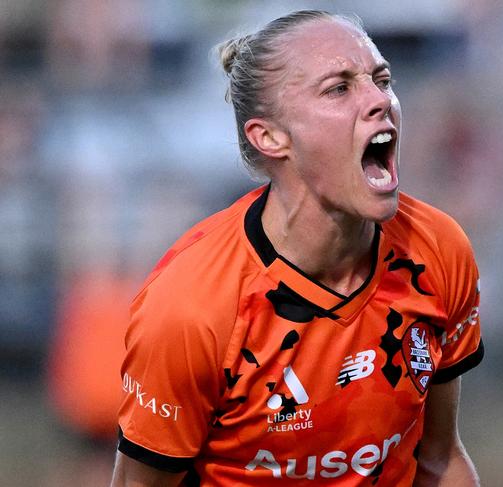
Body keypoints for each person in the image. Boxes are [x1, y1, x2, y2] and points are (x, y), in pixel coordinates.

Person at [110, 9, 483, 487]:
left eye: (381, 79)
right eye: (339, 88)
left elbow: (440, 459)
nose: (379, 100)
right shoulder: (190, 307)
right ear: (270, 137)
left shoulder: (437, 249)